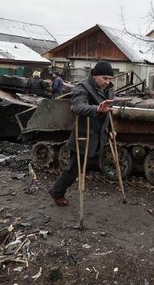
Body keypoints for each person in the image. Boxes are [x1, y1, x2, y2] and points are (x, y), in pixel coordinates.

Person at [48, 62, 115, 206]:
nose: (107, 82)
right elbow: (77, 107)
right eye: (104, 78)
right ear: (94, 75)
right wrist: (97, 108)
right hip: (84, 136)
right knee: (73, 169)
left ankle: (57, 191)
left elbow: (108, 112)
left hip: (98, 135)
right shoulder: (83, 88)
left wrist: (110, 130)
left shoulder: (108, 89)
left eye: (109, 79)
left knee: (77, 168)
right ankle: (57, 192)